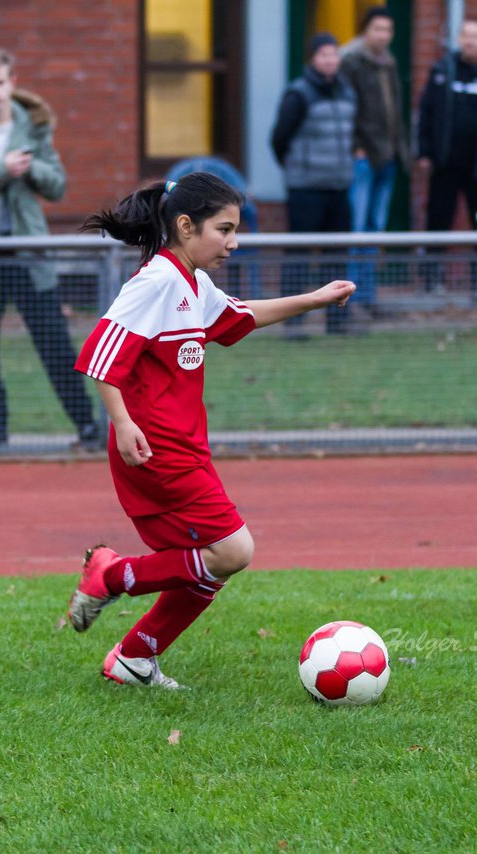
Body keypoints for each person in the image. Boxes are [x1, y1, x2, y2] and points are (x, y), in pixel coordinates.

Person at [66, 173, 355, 689]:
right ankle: (110, 575)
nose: (233, 242)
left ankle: (133, 659)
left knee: (207, 564)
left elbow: (239, 317)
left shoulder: (192, 282)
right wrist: (123, 421)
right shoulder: (156, 282)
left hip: (185, 448)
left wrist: (314, 299)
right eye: (224, 229)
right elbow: (99, 357)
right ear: (185, 226)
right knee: (233, 550)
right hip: (154, 449)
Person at [0, 47, 100, 448]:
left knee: (54, 342)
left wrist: (30, 168)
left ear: (13, 82)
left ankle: (86, 425)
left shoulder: (34, 125)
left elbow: (58, 185)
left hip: (30, 254)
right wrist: (1, 171)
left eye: (0, 83)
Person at [416, 18, 477, 295]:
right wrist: (425, 152)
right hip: (445, 164)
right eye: (465, 35)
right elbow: (425, 115)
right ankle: (431, 280)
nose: (470, 41)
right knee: (438, 221)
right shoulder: (442, 72)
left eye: (476, 36)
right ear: (458, 39)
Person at [270, 32, 357, 335]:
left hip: (339, 186)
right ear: (313, 59)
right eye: (324, 55)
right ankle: (294, 323)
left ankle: (338, 321)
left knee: (337, 254)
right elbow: (279, 139)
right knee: (300, 254)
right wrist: (297, 168)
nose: (330, 60)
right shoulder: (299, 94)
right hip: (306, 188)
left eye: (334, 54)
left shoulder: (346, 92)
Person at [340, 6, 409, 316]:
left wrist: (402, 149)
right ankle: (350, 298)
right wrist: (357, 146)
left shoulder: (389, 63)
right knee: (358, 231)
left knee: (375, 231)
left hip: (389, 155)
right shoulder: (352, 61)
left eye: (388, 30)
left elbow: (395, 112)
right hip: (364, 157)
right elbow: (347, 108)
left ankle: (369, 297)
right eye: (377, 29)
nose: (383, 35)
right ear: (366, 30)